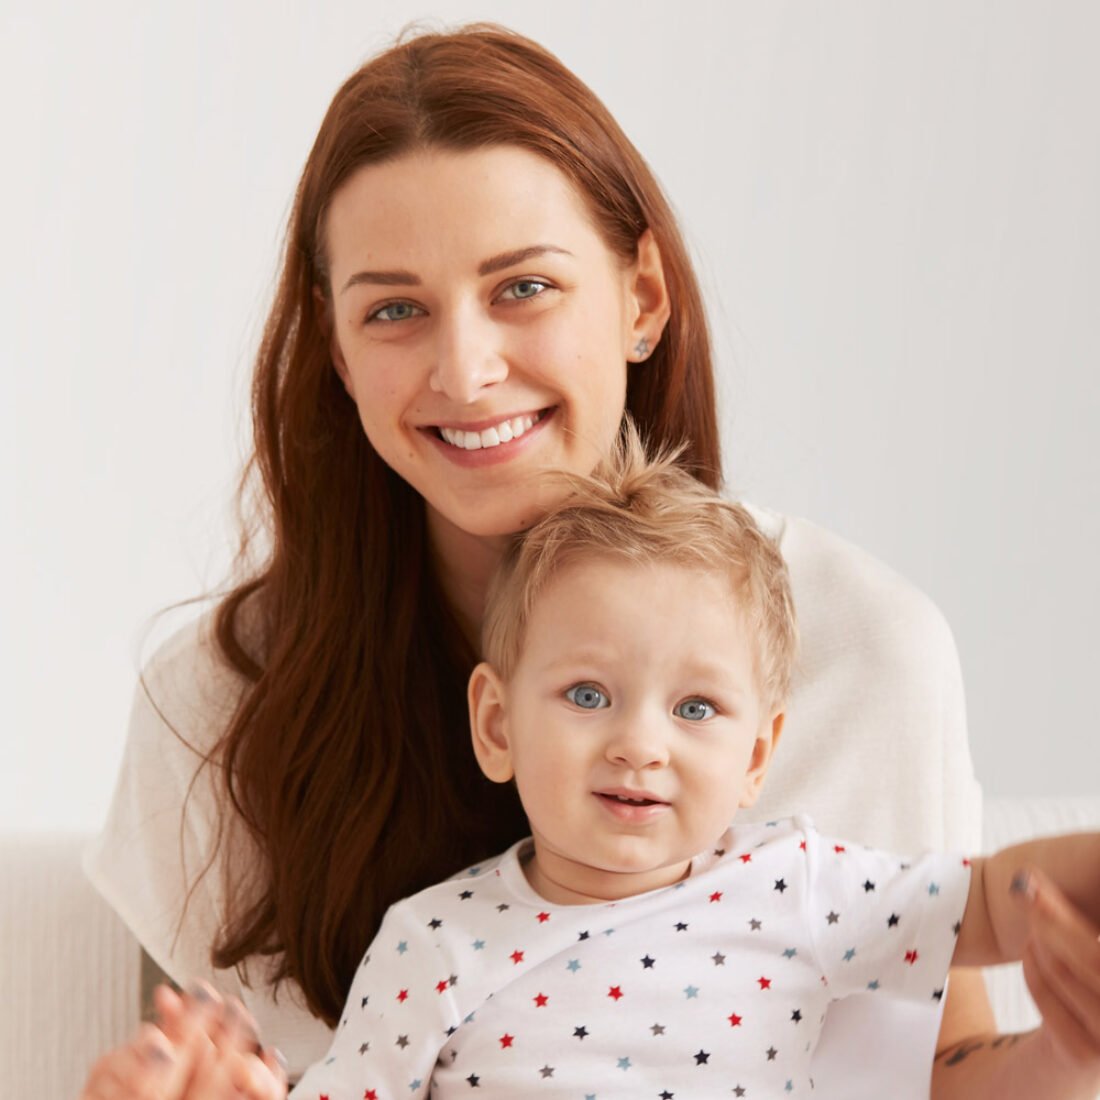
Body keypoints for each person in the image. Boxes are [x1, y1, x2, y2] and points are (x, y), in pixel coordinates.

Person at [80, 21, 1097, 1100]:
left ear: (641, 299)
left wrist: (1072, 1030)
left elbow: (944, 1030)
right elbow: (211, 1062)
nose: (465, 371)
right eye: (394, 309)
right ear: (337, 350)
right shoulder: (217, 706)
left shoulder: (863, 654)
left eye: (522, 287)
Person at [82, 433, 1100, 1099]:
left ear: (755, 755)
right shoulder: (435, 941)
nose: (639, 744)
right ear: (496, 723)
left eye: (694, 708)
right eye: (585, 694)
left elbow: (992, 901)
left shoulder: (797, 887)